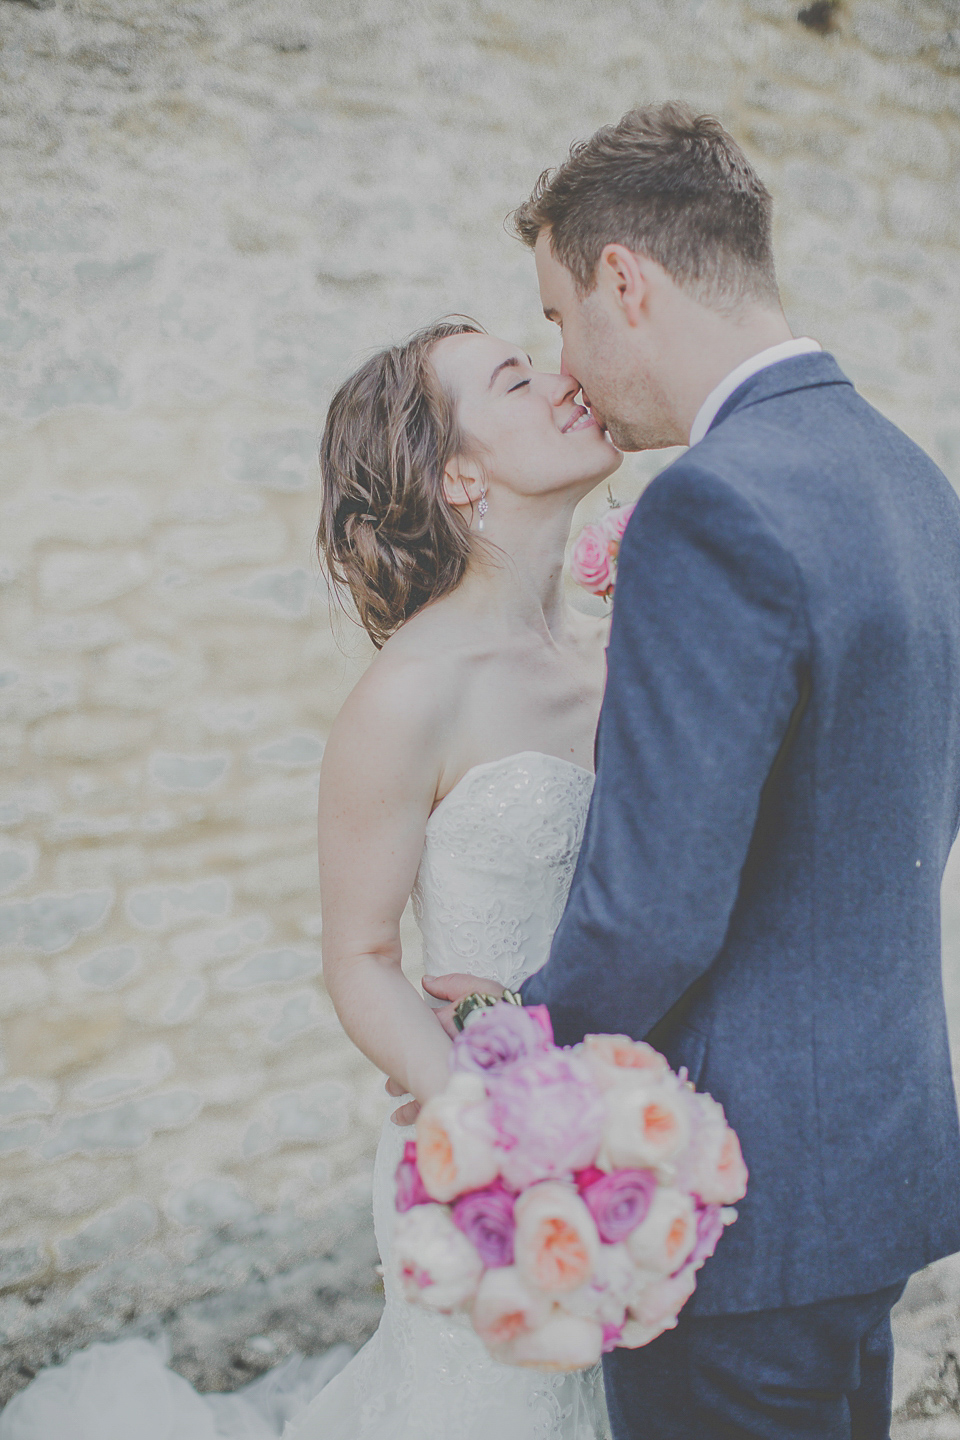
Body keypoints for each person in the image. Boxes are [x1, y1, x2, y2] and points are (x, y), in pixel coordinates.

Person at [427, 103, 960, 1439]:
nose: (567, 359)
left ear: (626, 280)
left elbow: (652, 909)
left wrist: (508, 1043)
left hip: (730, 1210)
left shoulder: (711, 506)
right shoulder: (910, 477)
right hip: (873, 1170)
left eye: (557, 316)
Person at [0, 318, 620, 1439]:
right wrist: (488, 1122)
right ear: (458, 477)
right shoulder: (408, 695)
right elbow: (363, 960)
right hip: (483, 1154)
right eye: (519, 380)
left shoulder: (627, 648)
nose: (564, 381)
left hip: (633, 1131)